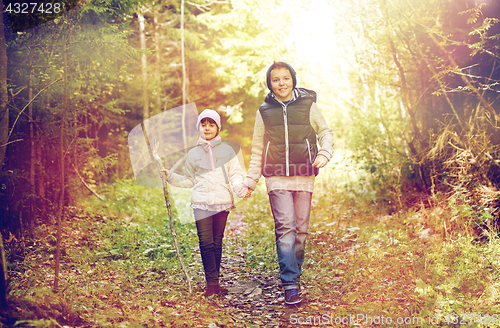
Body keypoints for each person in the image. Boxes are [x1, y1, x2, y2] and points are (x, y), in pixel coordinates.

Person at [239, 61, 334, 305]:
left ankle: (294, 275)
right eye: (276, 80)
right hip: (276, 177)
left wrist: (324, 153)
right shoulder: (264, 110)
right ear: (270, 84)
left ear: (293, 79)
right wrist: (250, 180)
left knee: (300, 232)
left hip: (304, 175)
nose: (281, 83)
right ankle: (290, 285)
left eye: (285, 78)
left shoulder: (308, 104)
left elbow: (325, 132)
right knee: (285, 229)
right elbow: (258, 147)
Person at [162, 109, 245, 297]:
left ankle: (215, 283)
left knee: (217, 242)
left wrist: (240, 188)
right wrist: (170, 177)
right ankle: (211, 284)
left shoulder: (228, 150)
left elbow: (236, 174)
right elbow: (189, 180)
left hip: (222, 203)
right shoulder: (193, 154)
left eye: (211, 124)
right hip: (201, 204)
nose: (207, 128)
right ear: (198, 127)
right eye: (203, 124)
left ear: (217, 127)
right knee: (206, 243)